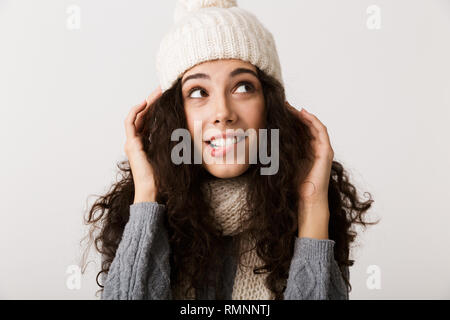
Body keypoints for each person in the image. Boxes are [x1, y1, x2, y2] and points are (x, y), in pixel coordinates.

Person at [82, 0, 376, 300]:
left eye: (243, 87)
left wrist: (312, 203)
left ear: (270, 107)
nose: (223, 112)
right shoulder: (139, 214)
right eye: (198, 92)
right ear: (176, 114)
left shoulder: (305, 210)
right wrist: (147, 193)